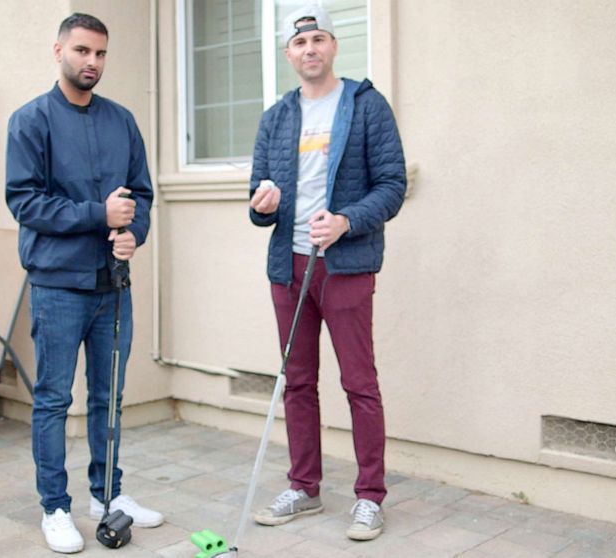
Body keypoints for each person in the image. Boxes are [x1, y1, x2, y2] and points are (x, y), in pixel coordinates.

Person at [247, 4, 406, 542]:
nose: (309, 49)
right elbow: (257, 199)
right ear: (288, 54)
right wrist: (263, 204)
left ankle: (369, 497)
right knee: (298, 381)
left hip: (345, 265)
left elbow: (391, 186)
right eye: (299, 43)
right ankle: (305, 488)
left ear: (333, 46)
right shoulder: (277, 117)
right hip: (288, 269)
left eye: (318, 39)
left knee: (359, 383)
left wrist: (344, 220)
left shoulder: (365, 106)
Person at [5, 12, 162, 554]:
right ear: (59, 52)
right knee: (52, 400)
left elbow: (140, 195)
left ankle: (107, 497)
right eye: (81, 51)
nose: (91, 62)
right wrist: (100, 216)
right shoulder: (31, 121)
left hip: (113, 285)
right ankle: (54, 507)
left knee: (109, 397)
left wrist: (132, 234)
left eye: (99, 53)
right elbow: (25, 201)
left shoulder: (121, 121)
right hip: (57, 286)